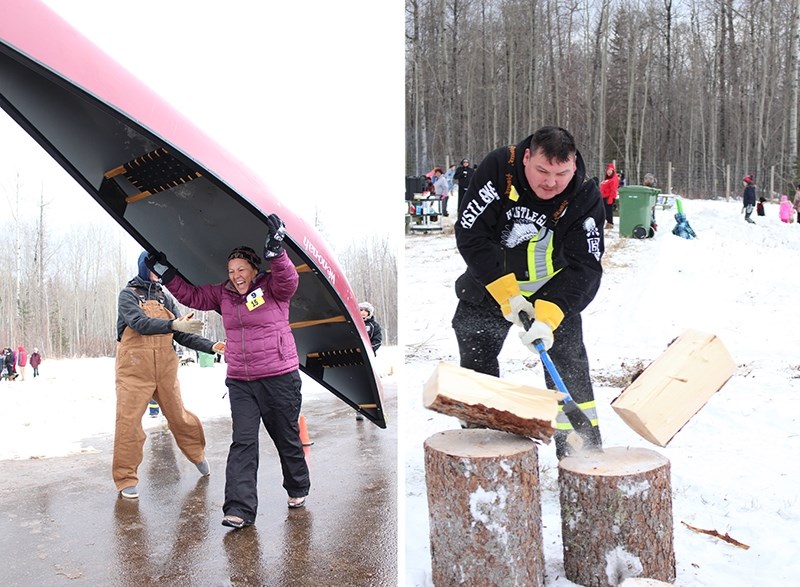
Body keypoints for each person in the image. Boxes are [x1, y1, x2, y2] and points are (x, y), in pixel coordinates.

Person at [452, 125, 603, 459]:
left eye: (562, 173)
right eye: (542, 171)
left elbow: (586, 267)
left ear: (574, 165)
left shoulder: (584, 195)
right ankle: (483, 446)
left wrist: (548, 317)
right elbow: (470, 234)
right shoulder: (498, 170)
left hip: (554, 290)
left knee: (568, 369)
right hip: (491, 282)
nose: (551, 182)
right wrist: (509, 296)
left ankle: (583, 456)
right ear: (526, 158)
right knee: (475, 348)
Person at [152, 213, 310, 529]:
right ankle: (239, 509)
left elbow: (290, 279)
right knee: (243, 441)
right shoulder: (222, 294)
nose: (236, 275)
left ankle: (297, 488)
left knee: (287, 438)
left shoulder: (272, 288)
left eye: (241, 269)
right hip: (241, 380)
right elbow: (192, 296)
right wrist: (165, 273)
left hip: (279, 375)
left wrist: (277, 253)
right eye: (231, 271)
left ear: (254, 269)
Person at [114, 251, 225, 500]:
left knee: (180, 417)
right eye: (154, 269)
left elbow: (181, 334)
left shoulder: (165, 299)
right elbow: (139, 324)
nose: (157, 274)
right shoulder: (128, 295)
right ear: (144, 267)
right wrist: (173, 325)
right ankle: (125, 479)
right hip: (134, 371)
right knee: (128, 423)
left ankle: (197, 456)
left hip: (165, 369)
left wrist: (211, 346)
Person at [354, 301, 383, 421]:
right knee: (358, 383)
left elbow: (378, 339)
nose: (362, 313)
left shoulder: (374, 325)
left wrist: (370, 349)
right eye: (360, 310)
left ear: (369, 313)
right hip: (356, 357)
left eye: (365, 310)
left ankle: (374, 408)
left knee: (370, 382)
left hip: (369, 357)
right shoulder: (354, 323)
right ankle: (359, 410)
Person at [599, 162, 619, 229]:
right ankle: (607, 222)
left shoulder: (613, 180)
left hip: (608, 197)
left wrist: (610, 198)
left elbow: (613, 190)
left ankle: (610, 223)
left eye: (610, 170)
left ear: (613, 171)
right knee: (604, 211)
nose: (609, 172)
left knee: (608, 211)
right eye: (608, 170)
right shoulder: (607, 179)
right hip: (604, 197)